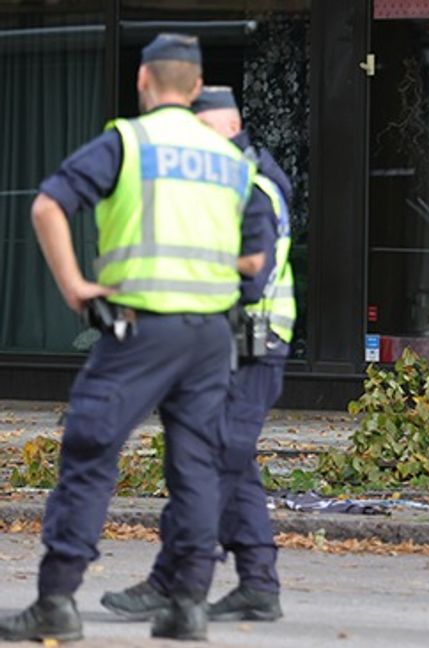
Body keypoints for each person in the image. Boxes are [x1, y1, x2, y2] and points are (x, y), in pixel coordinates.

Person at [0, 35, 272, 643]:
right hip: (209, 335)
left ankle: (57, 602)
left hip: (141, 327)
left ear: (144, 83)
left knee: (92, 450)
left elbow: (48, 206)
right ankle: (187, 606)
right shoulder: (231, 160)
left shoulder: (128, 141)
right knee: (197, 465)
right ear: (197, 88)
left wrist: (75, 287)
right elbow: (256, 257)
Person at [100, 86, 294, 624]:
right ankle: (258, 583)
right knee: (230, 461)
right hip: (235, 347)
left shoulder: (251, 186)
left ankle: (171, 579)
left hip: (250, 346)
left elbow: (249, 279)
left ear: (230, 129)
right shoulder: (236, 182)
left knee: (208, 464)